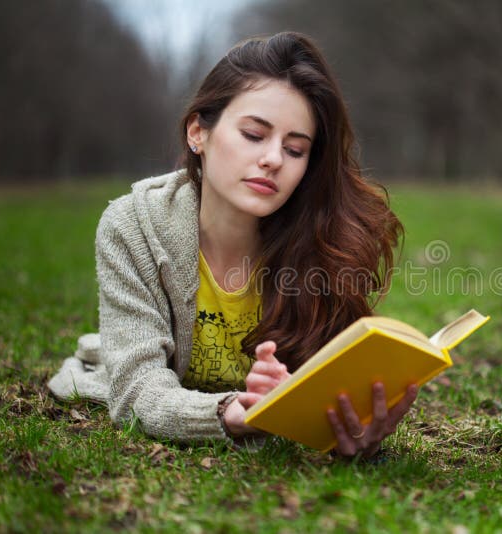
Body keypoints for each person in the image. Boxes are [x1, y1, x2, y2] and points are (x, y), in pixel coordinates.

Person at [47, 32, 417, 458]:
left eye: (295, 149)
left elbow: (323, 392)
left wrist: (348, 428)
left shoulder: (326, 242)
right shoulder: (133, 226)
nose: (274, 159)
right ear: (197, 133)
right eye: (254, 135)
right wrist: (230, 415)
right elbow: (136, 389)